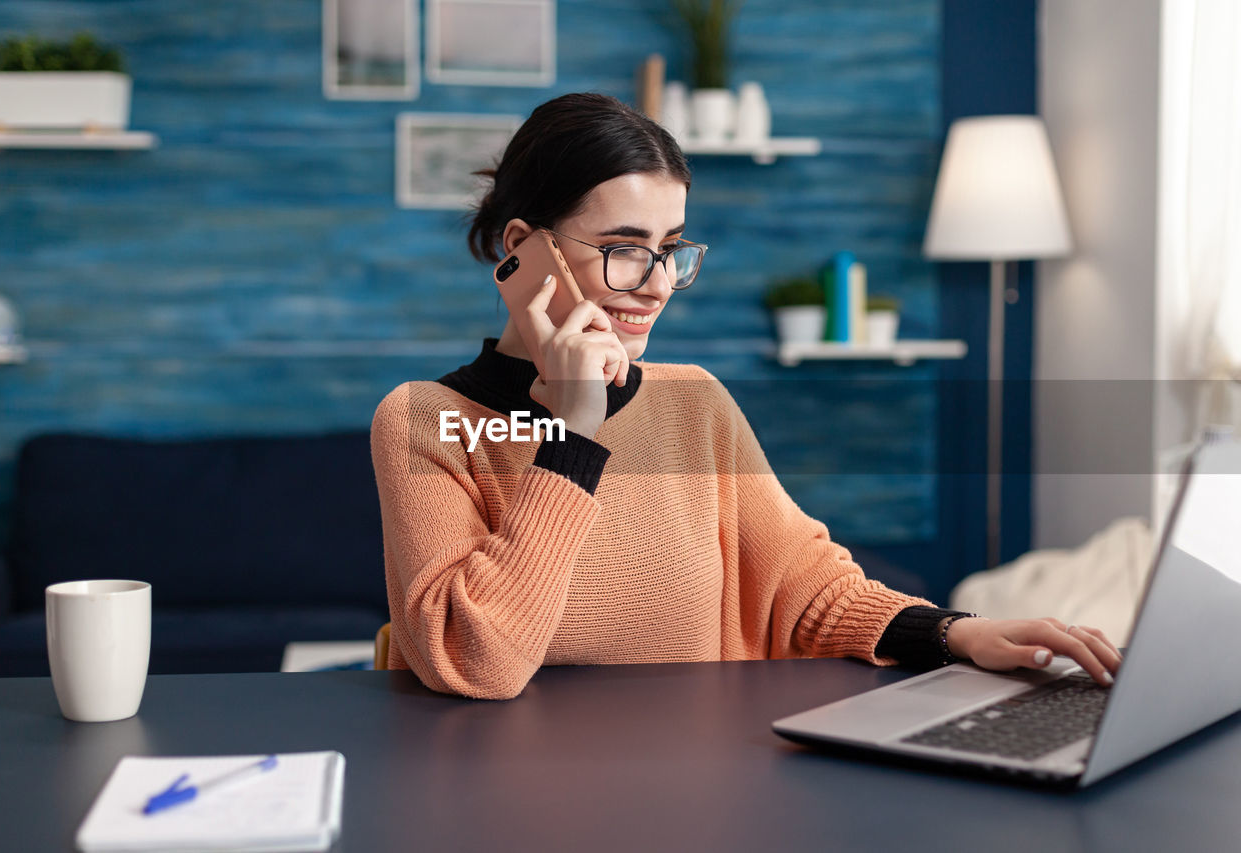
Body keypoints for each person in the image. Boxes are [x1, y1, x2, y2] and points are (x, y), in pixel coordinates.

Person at [370, 92, 1123, 701]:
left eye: (670, 250)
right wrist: (571, 436)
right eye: (625, 250)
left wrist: (957, 632)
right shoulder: (422, 422)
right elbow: (477, 659)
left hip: (696, 786)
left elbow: (808, 586)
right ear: (523, 247)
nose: (658, 284)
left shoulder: (693, 403)